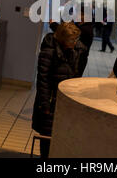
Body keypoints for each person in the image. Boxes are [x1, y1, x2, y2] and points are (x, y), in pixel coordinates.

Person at [32, 22, 87, 158]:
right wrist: (45, 105)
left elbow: (76, 75)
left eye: (76, 39)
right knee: (47, 139)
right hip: (50, 102)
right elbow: (43, 80)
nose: (75, 42)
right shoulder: (49, 51)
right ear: (62, 39)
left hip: (65, 102)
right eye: (72, 40)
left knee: (62, 138)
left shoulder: (76, 50)